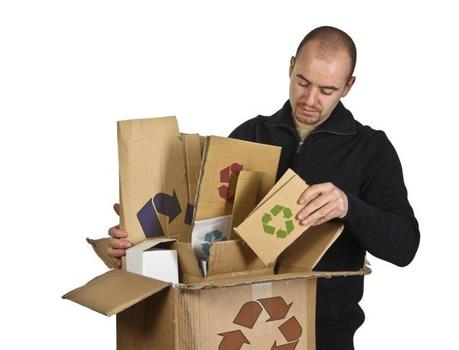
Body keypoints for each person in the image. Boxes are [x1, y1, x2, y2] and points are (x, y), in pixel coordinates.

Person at [107, 26, 420, 349]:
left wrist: (349, 207)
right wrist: (140, 243)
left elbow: (405, 247)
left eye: (327, 90)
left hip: (324, 335)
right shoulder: (249, 135)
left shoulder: (371, 149)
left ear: (348, 86)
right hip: (239, 329)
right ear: (290, 66)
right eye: (302, 82)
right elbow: (202, 236)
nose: (310, 100)